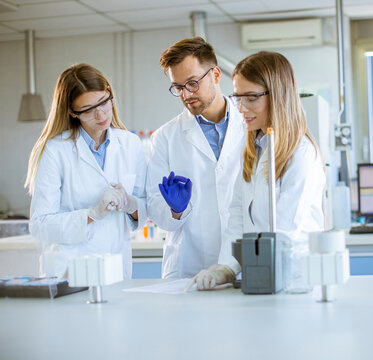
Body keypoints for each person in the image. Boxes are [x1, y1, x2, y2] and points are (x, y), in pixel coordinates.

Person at [191, 51, 326, 290]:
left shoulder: (301, 153)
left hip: (293, 281)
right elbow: (238, 215)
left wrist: (249, 267)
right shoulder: (256, 149)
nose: (241, 108)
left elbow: (285, 230)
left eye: (251, 98)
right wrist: (227, 268)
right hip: (262, 275)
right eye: (238, 97)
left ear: (278, 96)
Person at [25, 64, 147, 279]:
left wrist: (131, 204)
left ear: (109, 92)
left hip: (116, 268)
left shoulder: (130, 144)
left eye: (103, 102)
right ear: (73, 111)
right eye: (89, 110)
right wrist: (91, 214)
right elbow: (40, 225)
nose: (101, 114)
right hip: (69, 273)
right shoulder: (55, 151)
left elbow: (145, 209)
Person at [147, 37, 245, 281]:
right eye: (178, 87)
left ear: (215, 74)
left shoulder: (251, 125)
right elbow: (156, 209)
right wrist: (175, 211)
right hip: (189, 266)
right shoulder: (164, 138)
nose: (185, 95)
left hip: (243, 260)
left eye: (192, 83)